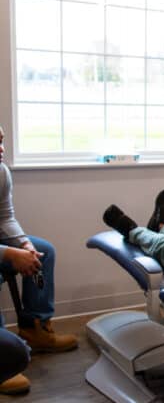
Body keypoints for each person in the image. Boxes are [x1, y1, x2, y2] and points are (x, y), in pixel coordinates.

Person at [0, 126, 78, 395]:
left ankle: (35, 328)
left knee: (44, 252)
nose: (1, 150)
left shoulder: (1, 172)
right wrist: (9, 254)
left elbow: (5, 217)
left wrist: (24, 244)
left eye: (1, 142)